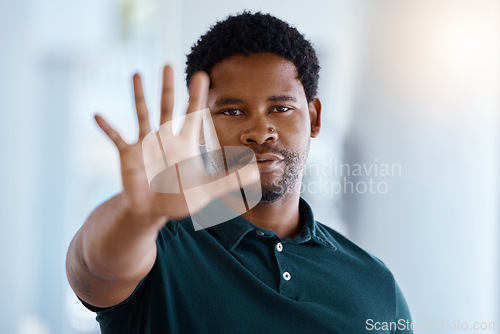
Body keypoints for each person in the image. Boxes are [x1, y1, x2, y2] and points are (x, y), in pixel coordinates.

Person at [66, 11, 413, 333]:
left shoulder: (376, 285)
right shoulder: (161, 244)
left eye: (280, 108)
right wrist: (136, 216)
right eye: (232, 112)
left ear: (315, 118)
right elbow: (92, 269)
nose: (260, 132)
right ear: (201, 127)